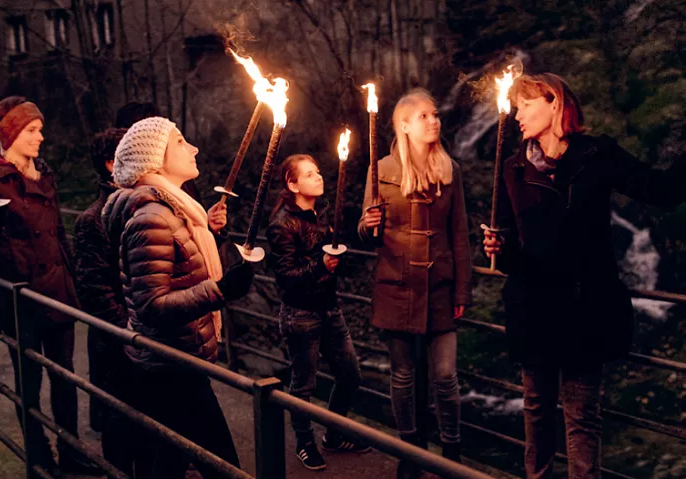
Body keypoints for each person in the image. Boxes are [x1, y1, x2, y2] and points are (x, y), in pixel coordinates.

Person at [482, 73, 686, 479]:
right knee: (538, 413)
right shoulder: (513, 168)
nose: (516, 114)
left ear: (553, 101)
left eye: (525, 105)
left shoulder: (598, 154)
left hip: (584, 309)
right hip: (534, 308)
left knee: (581, 417)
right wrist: (499, 250)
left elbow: (662, 191)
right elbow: (511, 256)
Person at [102, 117, 253, 478]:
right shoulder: (152, 218)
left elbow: (182, 268)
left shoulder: (178, 212)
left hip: (179, 360)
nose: (193, 148)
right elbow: (152, 305)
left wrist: (215, 243)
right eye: (181, 142)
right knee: (224, 467)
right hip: (171, 366)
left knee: (170, 462)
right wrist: (220, 290)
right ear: (155, 158)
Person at [0, 96, 99, 475]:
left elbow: (59, 234)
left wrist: (77, 282)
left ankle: (72, 452)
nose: (41, 136)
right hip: (19, 296)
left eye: (40, 129)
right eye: (32, 130)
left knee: (65, 378)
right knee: (29, 382)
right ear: (12, 134)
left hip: (57, 292)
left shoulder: (45, 174)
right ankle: (39, 456)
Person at [358, 88, 472, 477]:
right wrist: (366, 226)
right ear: (404, 124)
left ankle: (451, 454)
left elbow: (460, 234)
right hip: (397, 285)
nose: (434, 120)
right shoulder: (381, 170)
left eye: (435, 114)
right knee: (403, 375)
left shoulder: (450, 170)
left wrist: (462, 290)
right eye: (424, 115)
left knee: (445, 376)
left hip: (440, 287)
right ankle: (410, 450)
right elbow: (364, 231)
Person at [267, 154, 369, 471]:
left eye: (318, 171)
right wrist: (320, 265)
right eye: (310, 174)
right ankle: (304, 443)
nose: (319, 177)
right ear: (292, 183)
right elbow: (285, 277)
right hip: (300, 313)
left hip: (329, 307)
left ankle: (334, 435)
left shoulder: (321, 212)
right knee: (303, 385)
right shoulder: (281, 223)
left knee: (350, 374)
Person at [72, 127, 133, 473]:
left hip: (144, 343)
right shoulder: (92, 221)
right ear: (111, 164)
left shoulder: (148, 207)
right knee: (120, 436)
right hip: (118, 347)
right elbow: (95, 292)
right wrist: (132, 333)